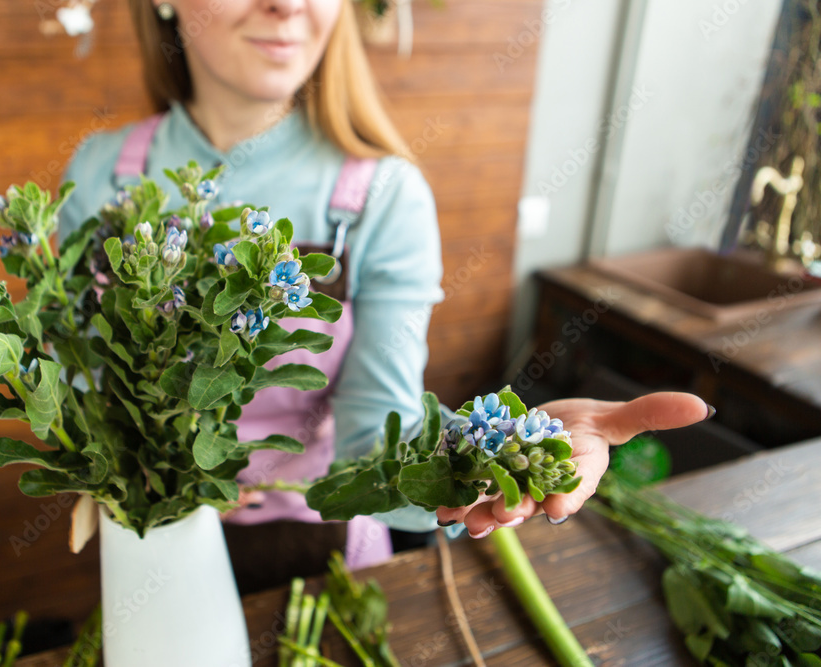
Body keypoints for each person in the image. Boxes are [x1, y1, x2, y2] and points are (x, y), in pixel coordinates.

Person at [57, 0, 712, 589]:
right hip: (145, 549)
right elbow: (77, 393)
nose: (286, 5)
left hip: (318, 550)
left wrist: (497, 453)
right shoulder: (99, 172)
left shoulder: (380, 197)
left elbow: (377, 445)